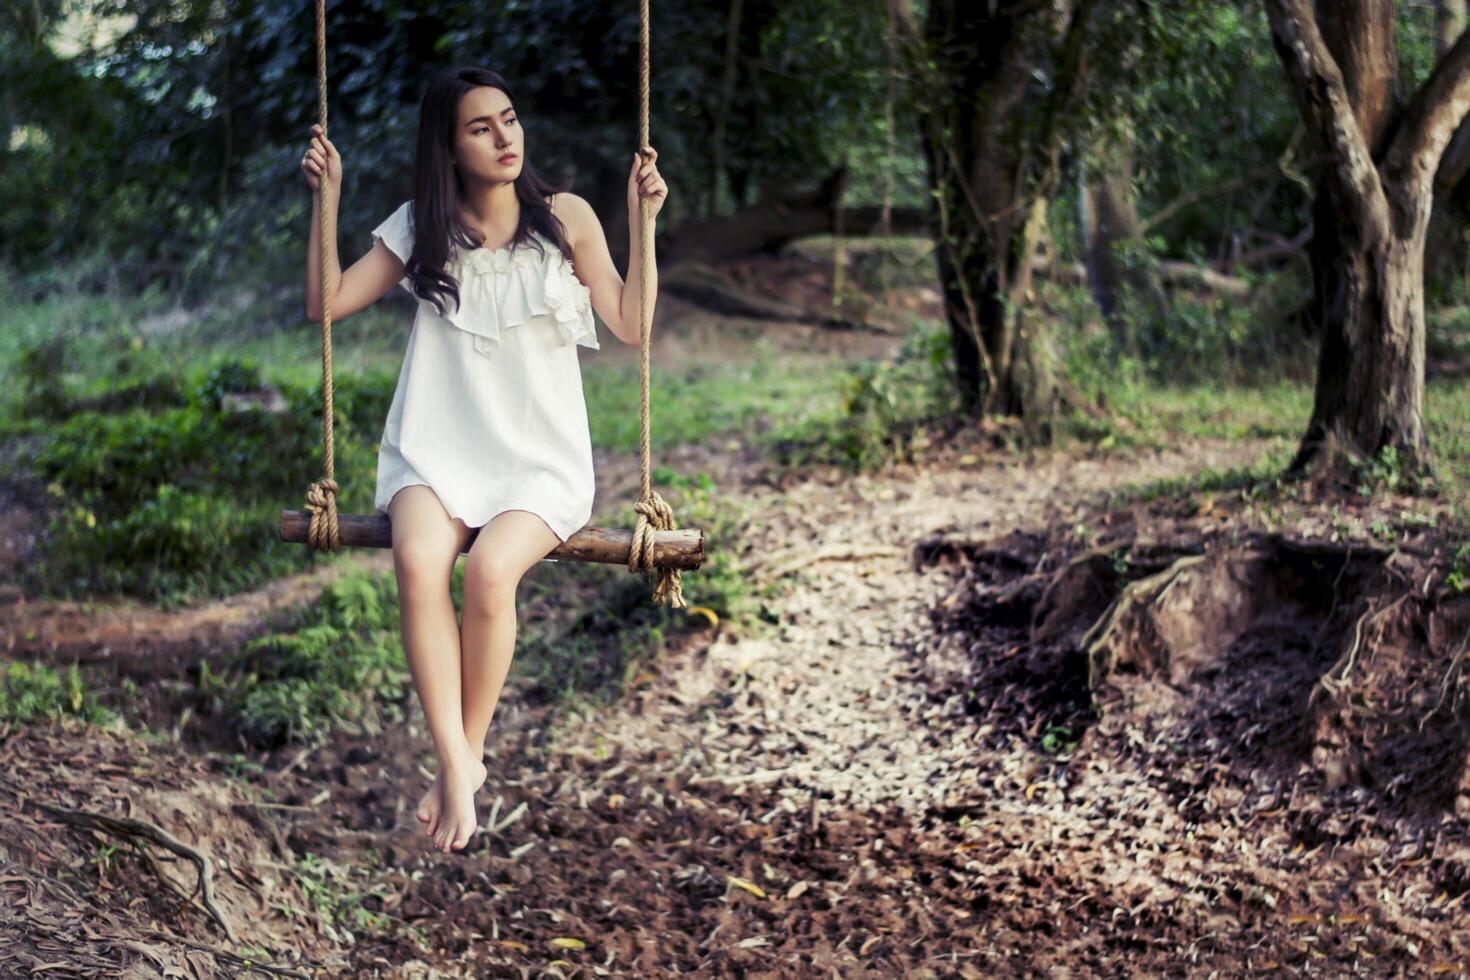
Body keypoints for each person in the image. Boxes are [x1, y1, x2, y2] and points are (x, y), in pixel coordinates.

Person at [301, 65, 668, 853]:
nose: (505, 138)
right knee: (418, 557)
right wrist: (326, 201)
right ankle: (457, 758)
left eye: (509, 119)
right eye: (480, 127)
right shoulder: (418, 229)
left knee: (490, 573)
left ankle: (460, 761)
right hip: (434, 444)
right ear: (450, 145)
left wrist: (644, 223)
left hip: (539, 456)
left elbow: (633, 324)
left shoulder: (563, 217)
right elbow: (324, 302)